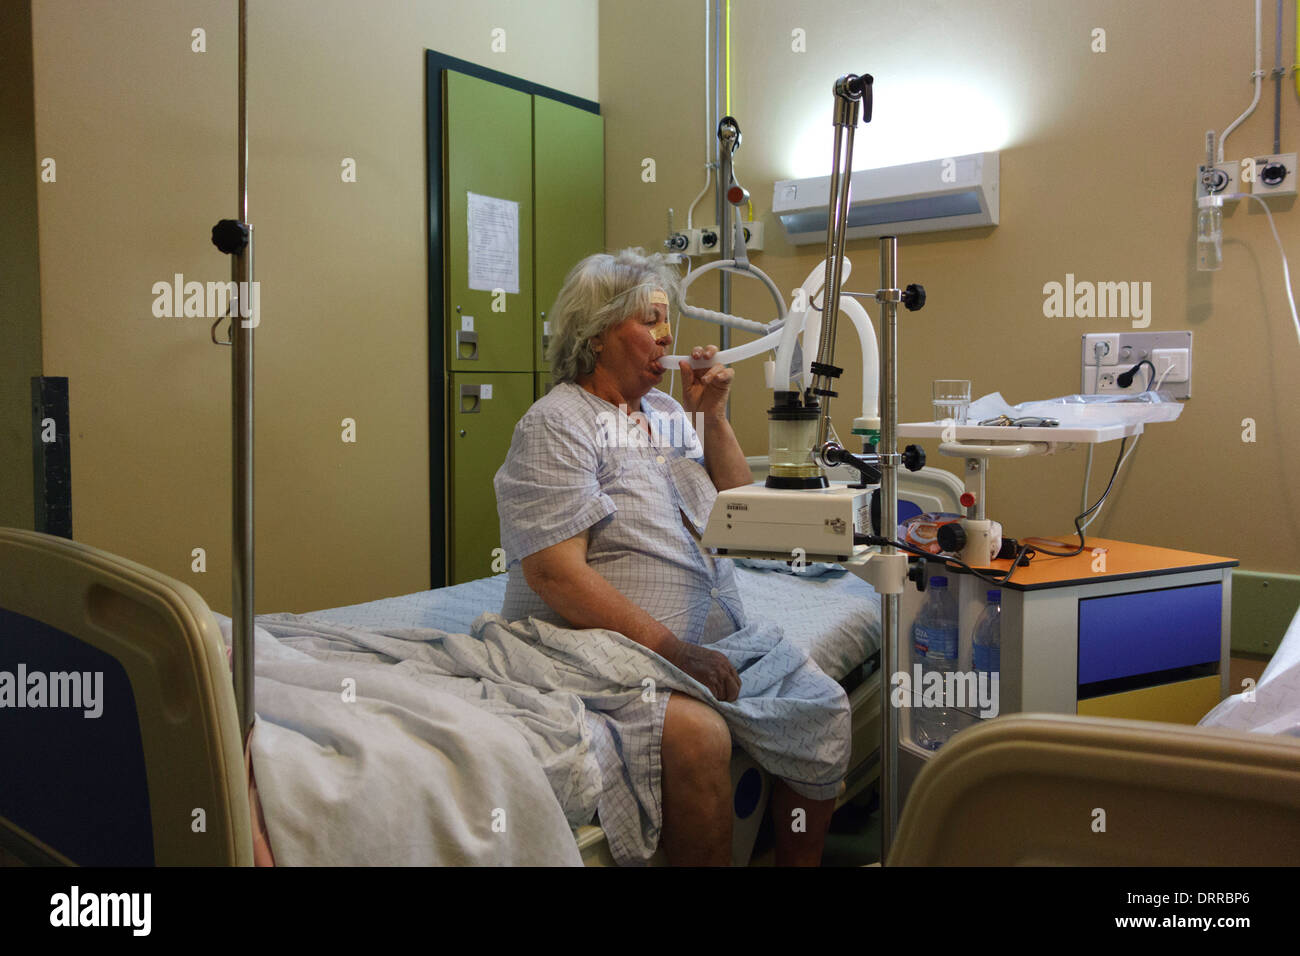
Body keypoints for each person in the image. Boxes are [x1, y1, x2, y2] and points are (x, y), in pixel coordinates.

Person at [494, 248, 849, 866]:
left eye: (668, 322)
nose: (667, 336)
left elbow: (743, 513)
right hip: (601, 646)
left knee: (822, 704)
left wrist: (711, 418)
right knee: (699, 735)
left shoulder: (666, 414)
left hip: (713, 641)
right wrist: (676, 649)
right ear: (598, 333)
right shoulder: (557, 424)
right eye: (650, 320)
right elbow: (555, 573)